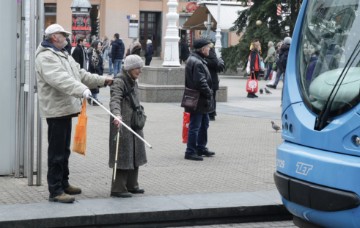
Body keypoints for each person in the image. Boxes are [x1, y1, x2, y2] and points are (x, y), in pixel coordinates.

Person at [35, 24, 113, 203]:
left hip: (65, 108)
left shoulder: (62, 54)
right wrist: (82, 90)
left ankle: (64, 183)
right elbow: (60, 80)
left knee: (64, 150)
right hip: (56, 110)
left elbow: (80, 74)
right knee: (56, 152)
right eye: (63, 35)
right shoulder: (46, 57)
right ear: (54, 37)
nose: (66, 38)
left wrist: (103, 81)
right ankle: (55, 191)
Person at [109, 54, 147, 198]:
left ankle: (132, 185)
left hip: (134, 123)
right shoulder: (119, 81)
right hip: (122, 122)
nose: (140, 71)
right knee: (122, 155)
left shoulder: (133, 80)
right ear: (130, 68)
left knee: (135, 153)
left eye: (141, 68)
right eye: (138, 68)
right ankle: (118, 188)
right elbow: (114, 100)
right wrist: (117, 115)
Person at [183, 38, 215, 161]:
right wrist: (209, 92)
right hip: (198, 99)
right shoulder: (197, 62)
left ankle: (201, 147)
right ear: (202, 49)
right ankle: (190, 151)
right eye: (208, 47)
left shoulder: (197, 60)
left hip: (200, 99)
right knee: (195, 126)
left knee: (203, 124)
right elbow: (200, 82)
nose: (209, 49)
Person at [205, 42, 225, 121]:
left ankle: (211, 114)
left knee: (211, 97)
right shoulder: (210, 53)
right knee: (211, 97)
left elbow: (214, 63)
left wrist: (204, 60)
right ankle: (210, 113)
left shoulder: (211, 53)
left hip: (212, 80)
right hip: (211, 80)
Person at [88, 40, 104, 105]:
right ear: (96, 46)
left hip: (97, 72)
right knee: (94, 87)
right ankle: (94, 100)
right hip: (94, 72)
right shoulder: (93, 53)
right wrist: (98, 70)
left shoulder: (98, 53)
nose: (101, 46)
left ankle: (92, 98)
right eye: (99, 45)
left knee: (95, 87)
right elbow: (92, 64)